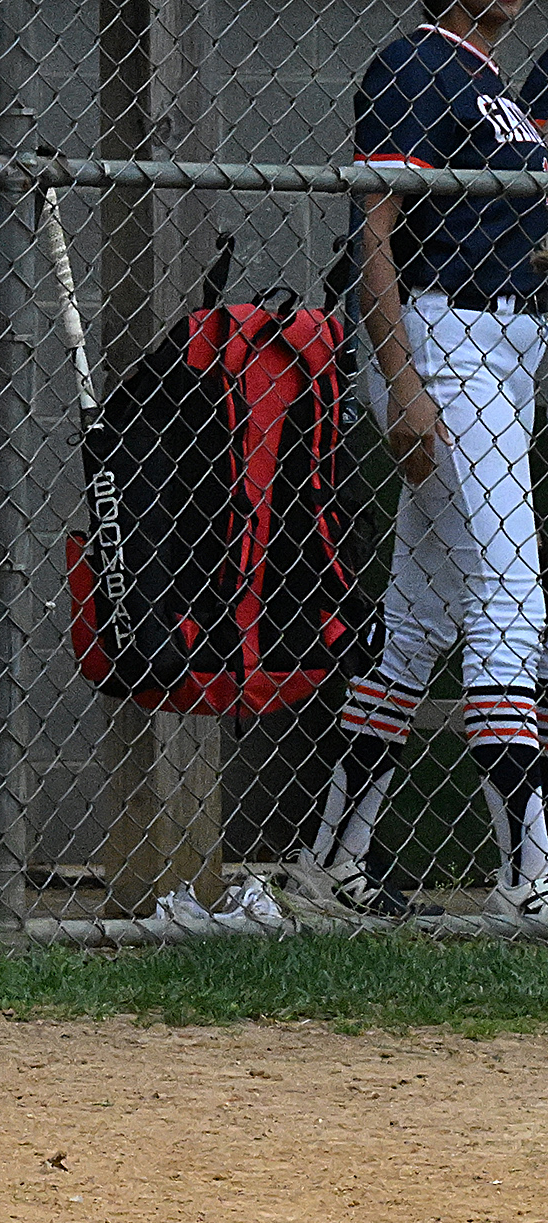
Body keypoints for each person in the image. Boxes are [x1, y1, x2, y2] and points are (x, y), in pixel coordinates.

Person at [297, 0, 548, 920]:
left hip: (507, 351)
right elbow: (376, 229)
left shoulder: (497, 88)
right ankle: (532, 876)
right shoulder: (416, 61)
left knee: (419, 618)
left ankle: (331, 862)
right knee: (512, 598)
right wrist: (401, 378)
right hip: (445, 342)